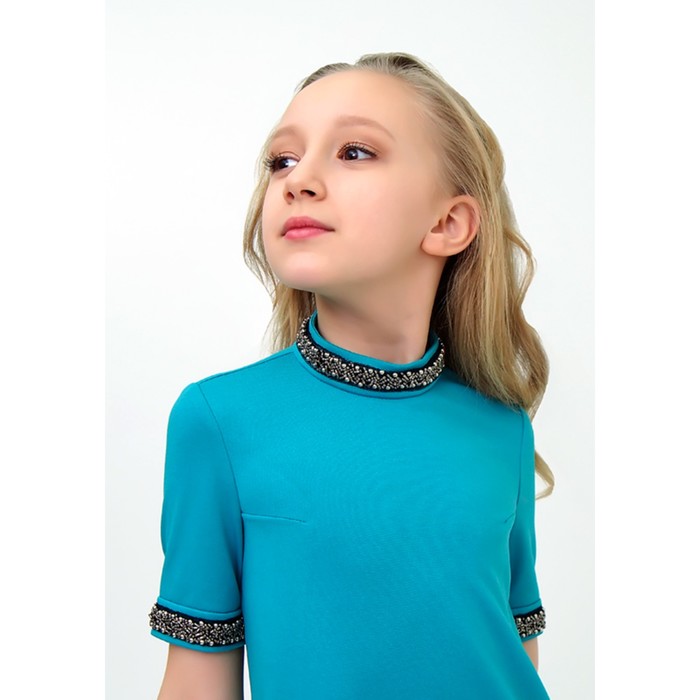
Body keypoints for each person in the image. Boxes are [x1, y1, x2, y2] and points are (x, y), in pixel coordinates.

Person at [149, 51, 554, 700]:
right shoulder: (220, 422)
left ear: (448, 223)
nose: (298, 180)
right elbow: (197, 682)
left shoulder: (502, 430)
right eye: (282, 160)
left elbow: (516, 655)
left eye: (355, 152)